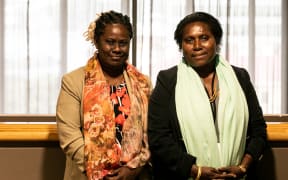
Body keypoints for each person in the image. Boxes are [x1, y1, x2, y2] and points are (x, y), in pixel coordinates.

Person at [148, 11, 267, 180]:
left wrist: (243, 167)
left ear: (216, 42)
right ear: (181, 47)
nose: (197, 45)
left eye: (204, 38)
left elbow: (258, 130)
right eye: (189, 40)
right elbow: (158, 137)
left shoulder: (240, 77)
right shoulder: (168, 81)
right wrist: (194, 171)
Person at [56, 10, 152, 180]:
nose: (116, 49)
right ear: (97, 42)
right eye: (110, 42)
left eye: (123, 43)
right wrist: (99, 170)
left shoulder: (143, 83)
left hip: (134, 175)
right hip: (88, 175)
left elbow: (151, 132)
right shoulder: (73, 81)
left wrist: (134, 168)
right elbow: (69, 135)